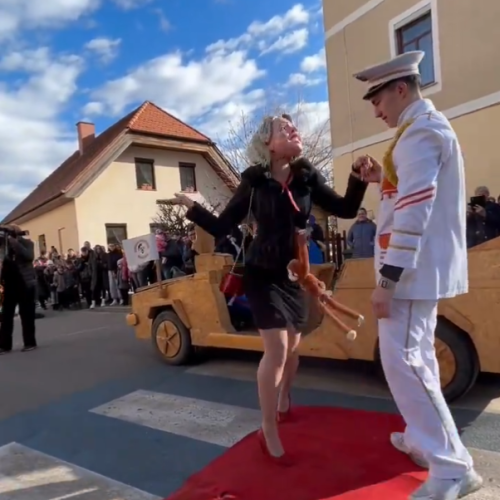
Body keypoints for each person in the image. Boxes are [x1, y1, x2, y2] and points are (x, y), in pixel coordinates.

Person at [170, 114, 367, 461]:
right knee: (277, 349)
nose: (294, 130)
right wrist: (193, 209)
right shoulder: (255, 182)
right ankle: (267, 427)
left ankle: (284, 396)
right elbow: (223, 226)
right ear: (267, 143)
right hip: (262, 273)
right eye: (283, 128)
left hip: (294, 275)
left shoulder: (306, 178)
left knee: (292, 350)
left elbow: (347, 208)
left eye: (294, 126)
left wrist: (357, 177)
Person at [352, 51, 482, 499]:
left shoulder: (419, 133)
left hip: (409, 273)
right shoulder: (422, 129)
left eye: (378, 100)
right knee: (418, 358)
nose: (376, 111)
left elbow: (413, 212)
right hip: (417, 270)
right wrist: (379, 178)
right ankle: (424, 440)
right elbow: (409, 193)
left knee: (404, 363)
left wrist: (387, 280)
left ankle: (451, 468)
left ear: (401, 89)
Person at [0, 226, 37, 353]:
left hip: (25, 283)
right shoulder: (3, 245)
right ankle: (4, 345)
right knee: (6, 316)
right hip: (9, 284)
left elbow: (28, 256)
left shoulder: (27, 243)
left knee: (26, 315)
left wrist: (14, 242)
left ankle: (29, 342)